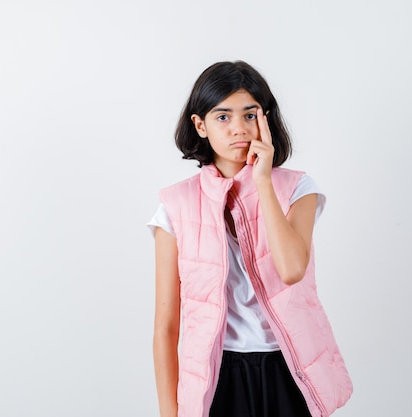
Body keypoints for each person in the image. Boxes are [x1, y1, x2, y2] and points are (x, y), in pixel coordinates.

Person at [148, 61, 352, 417]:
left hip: (289, 370)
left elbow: (290, 270)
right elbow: (166, 326)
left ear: (266, 119)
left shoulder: (297, 189)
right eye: (222, 117)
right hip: (218, 376)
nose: (238, 129)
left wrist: (262, 182)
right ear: (201, 125)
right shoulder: (175, 206)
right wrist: (169, 412)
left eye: (249, 114)